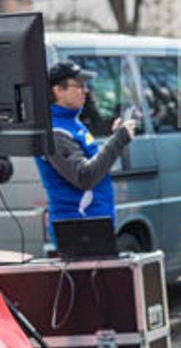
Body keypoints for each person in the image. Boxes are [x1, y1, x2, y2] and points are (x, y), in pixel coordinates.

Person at [35, 61, 135, 235]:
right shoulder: (56, 131)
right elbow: (84, 176)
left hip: (93, 220)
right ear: (58, 90)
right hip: (78, 225)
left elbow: (93, 162)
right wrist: (118, 140)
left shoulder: (72, 123)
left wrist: (115, 137)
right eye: (79, 85)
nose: (85, 90)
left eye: (85, 85)